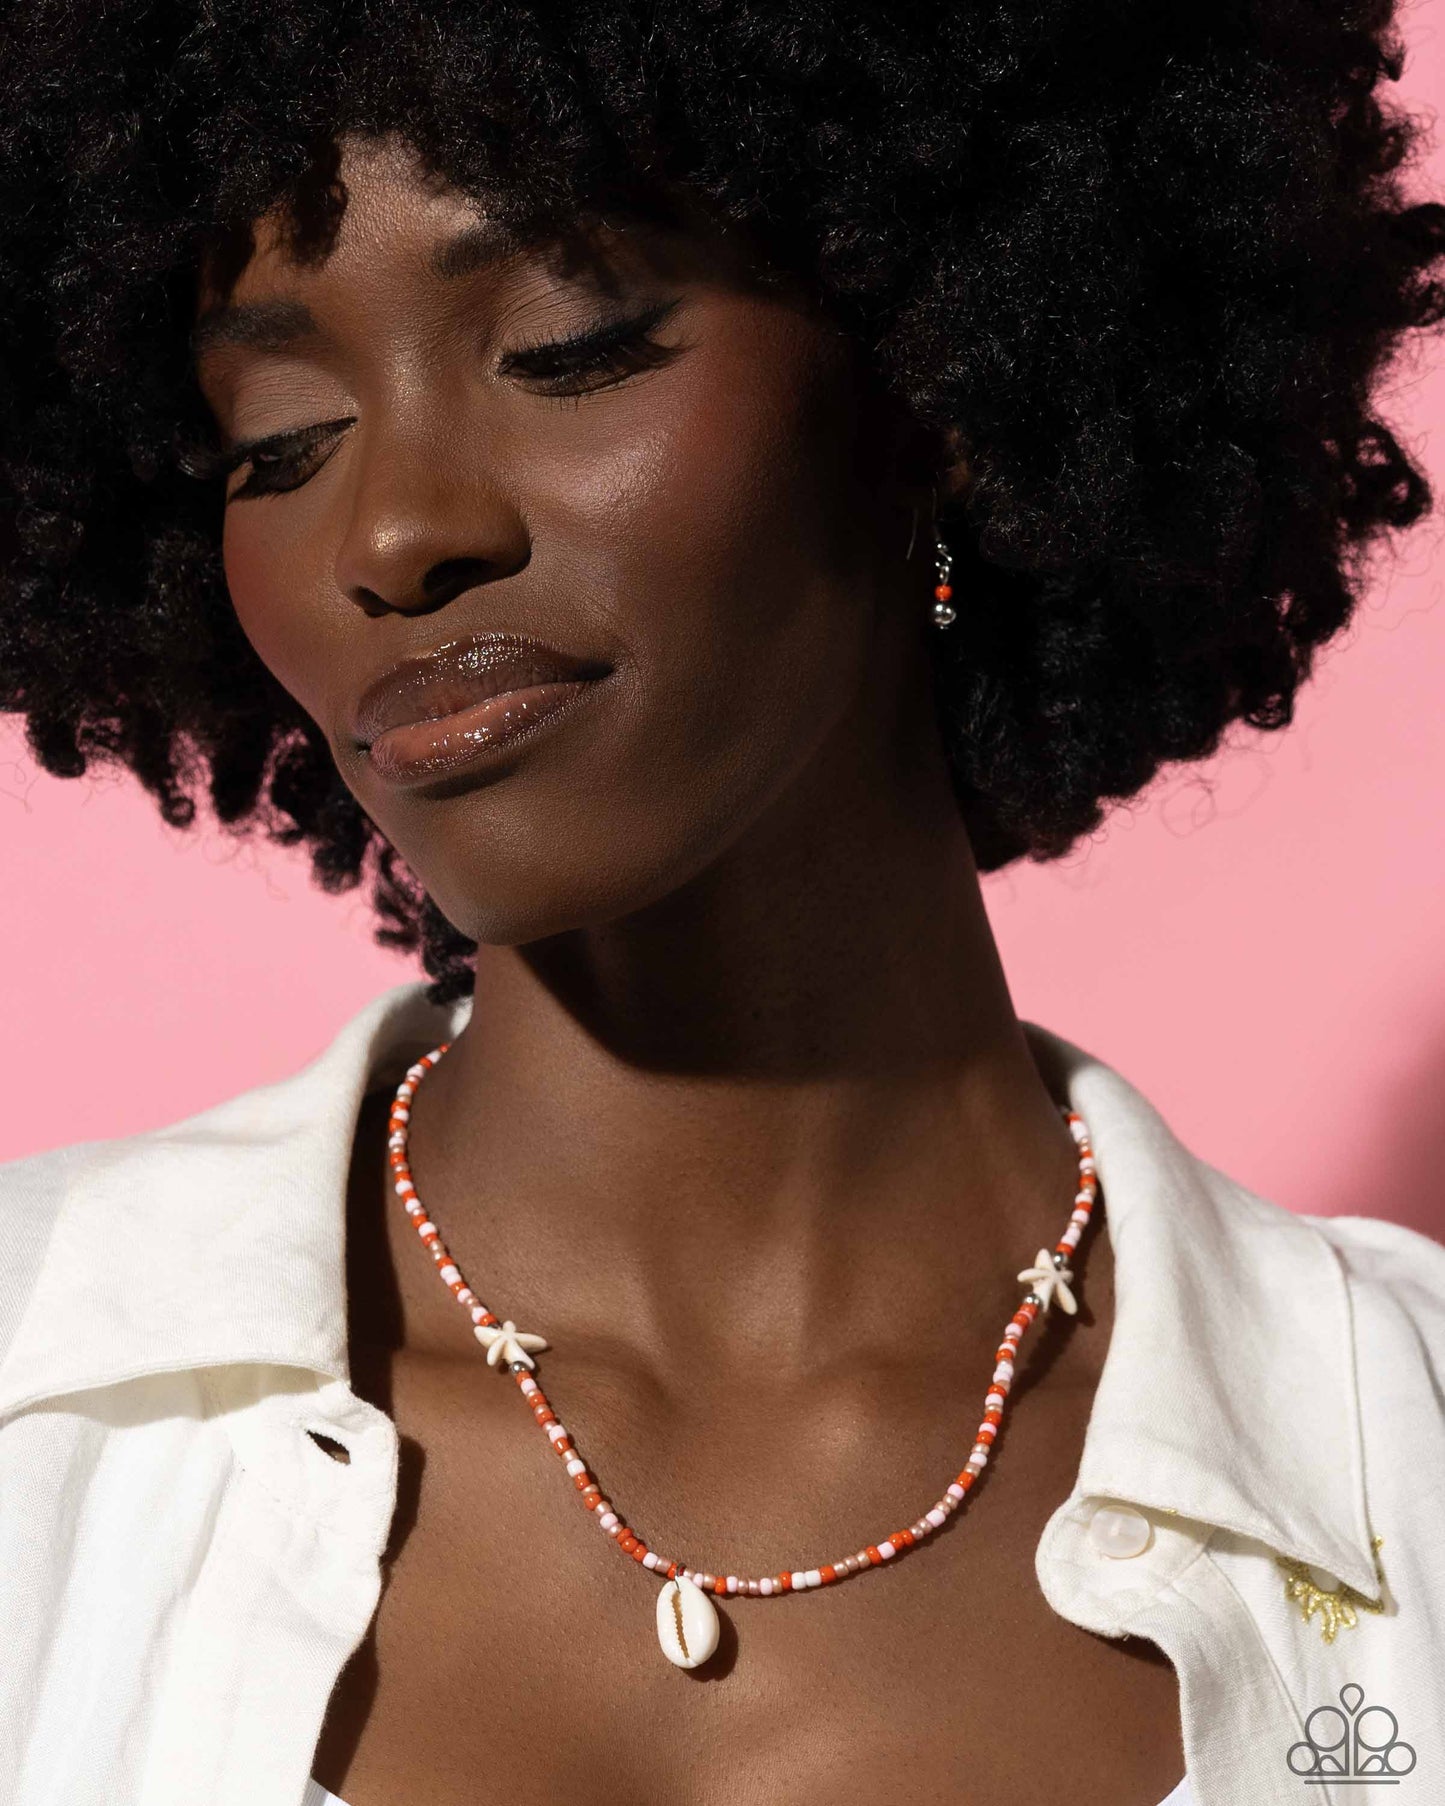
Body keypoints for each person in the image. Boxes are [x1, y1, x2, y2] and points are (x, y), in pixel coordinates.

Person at [1, 4, 1443, 1804]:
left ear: (943, 397)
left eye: (567, 345)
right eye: (279, 442)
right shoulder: (29, 1384)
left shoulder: (1411, 1462)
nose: (391, 532)